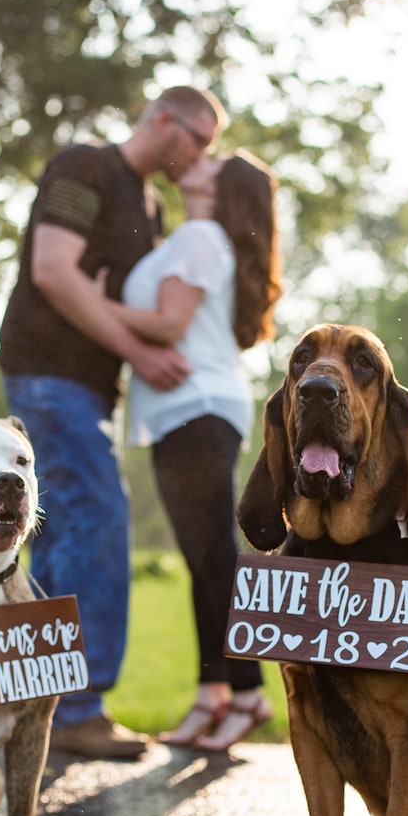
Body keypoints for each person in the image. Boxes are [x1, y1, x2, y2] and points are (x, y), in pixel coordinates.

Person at [0, 86, 226, 759]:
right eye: (198, 140)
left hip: (90, 390)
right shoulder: (86, 166)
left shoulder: (151, 205)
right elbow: (52, 270)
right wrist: (138, 354)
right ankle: (76, 706)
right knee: (97, 517)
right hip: (48, 375)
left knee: (61, 536)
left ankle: (33, 703)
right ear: (164, 122)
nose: (201, 156)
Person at [96, 148, 282, 751]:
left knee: (214, 559)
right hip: (191, 410)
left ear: (221, 187)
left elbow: (169, 325)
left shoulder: (201, 235)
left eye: (212, 160)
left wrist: (90, 301)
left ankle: (247, 694)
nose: (196, 160)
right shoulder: (195, 236)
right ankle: (216, 694)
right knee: (204, 559)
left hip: (197, 408)